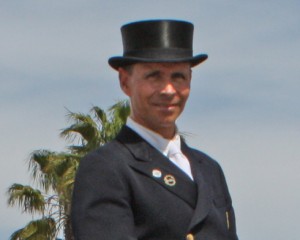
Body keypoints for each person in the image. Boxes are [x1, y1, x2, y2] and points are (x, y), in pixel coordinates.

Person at [71, 19, 238, 240]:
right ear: (125, 81)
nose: (168, 90)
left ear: (190, 79)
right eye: (154, 76)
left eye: (178, 77)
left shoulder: (209, 169)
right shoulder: (107, 167)